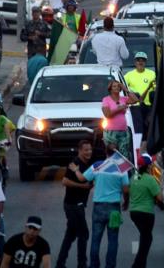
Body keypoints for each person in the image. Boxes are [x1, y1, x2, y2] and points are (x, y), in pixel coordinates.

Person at [69, 144, 130, 268]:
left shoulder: (97, 166)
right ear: (117, 153)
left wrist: (76, 170)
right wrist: (126, 202)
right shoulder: (121, 168)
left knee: (95, 240)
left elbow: (81, 178)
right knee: (113, 240)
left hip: (98, 208)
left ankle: (94, 265)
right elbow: (126, 190)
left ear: (105, 152)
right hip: (114, 208)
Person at [57, 140, 94, 268]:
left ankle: (60, 263)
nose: (89, 152)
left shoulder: (88, 163)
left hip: (78, 205)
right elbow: (65, 181)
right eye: (86, 150)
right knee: (83, 234)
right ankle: (82, 264)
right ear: (79, 150)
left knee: (71, 234)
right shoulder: (75, 163)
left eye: (90, 149)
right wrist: (82, 186)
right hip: (73, 205)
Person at [129, 154, 162, 268]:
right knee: (147, 238)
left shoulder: (134, 177)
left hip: (134, 212)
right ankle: (138, 264)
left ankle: (141, 264)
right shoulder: (150, 179)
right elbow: (159, 198)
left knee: (145, 236)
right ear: (149, 166)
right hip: (146, 213)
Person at [124, 52, 155, 135]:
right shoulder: (128, 75)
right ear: (135, 62)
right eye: (138, 60)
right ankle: (138, 146)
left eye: (143, 60)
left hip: (149, 106)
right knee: (138, 129)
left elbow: (156, 88)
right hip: (135, 106)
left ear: (146, 62)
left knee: (149, 128)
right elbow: (123, 88)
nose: (140, 62)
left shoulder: (152, 74)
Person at [101, 81, 134, 160]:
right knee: (112, 155)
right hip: (111, 133)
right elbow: (107, 114)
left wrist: (126, 89)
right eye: (114, 86)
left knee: (125, 155)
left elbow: (135, 100)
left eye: (118, 86)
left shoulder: (123, 99)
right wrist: (119, 109)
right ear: (110, 89)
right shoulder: (106, 99)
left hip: (123, 132)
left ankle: (126, 172)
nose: (117, 88)